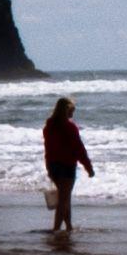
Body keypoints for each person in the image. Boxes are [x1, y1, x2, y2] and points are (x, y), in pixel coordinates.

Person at [41, 94, 93, 237]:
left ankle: (68, 227)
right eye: (71, 110)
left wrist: (48, 166)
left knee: (64, 198)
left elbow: (48, 148)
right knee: (64, 199)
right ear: (66, 110)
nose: (72, 114)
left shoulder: (49, 126)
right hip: (67, 165)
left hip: (53, 165)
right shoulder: (70, 127)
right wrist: (88, 166)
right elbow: (78, 148)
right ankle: (56, 229)